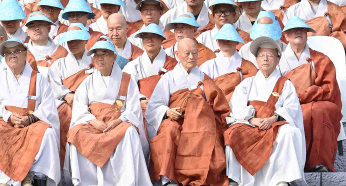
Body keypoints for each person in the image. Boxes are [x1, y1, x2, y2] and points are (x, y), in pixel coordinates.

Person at [0, 37, 61, 186]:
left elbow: (48, 107)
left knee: (48, 133)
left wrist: (31, 118)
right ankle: (5, 180)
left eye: (17, 51)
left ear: (25, 53)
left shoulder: (39, 79)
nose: (12, 55)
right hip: (5, 120)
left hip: (31, 121)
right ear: (4, 57)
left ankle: (27, 176)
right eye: (8, 53)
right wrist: (8, 116)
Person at [65, 40, 151, 186]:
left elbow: (133, 109)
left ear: (114, 57)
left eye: (104, 54)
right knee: (76, 132)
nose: (100, 58)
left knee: (130, 131)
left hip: (117, 124)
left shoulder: (127, 80)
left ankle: (126, 181)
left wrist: (118, 121)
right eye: (96, 55)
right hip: (93, 123)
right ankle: (88, 182)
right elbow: (80, 107)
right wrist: (92, 120)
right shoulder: (87, 81)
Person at [222, 36, 305, 186]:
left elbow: (291, 108)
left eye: (270, 55)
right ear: (257, 60)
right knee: (233, 132)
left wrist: (273, 119)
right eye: (261, 55)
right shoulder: (247, 83)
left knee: (288, 132)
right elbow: (237, 106)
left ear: (278, 59)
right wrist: (251, 119)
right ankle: (236, 178)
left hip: (275, 123)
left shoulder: (285, 84)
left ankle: (281, 179)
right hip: (251, 123)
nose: (265, 59)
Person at [146, 39, 229, 186]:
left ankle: (204, 177)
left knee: (211, 133)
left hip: (200, 120)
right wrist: (167, 111)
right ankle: (168, 179)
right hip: (177, 120)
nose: (191, 57)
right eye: (187, 53)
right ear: (177, 54)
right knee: (168, 131)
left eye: (194, 53)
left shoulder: (204, 78)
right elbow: (154, 105)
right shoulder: (169, 77)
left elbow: (218, 104)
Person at [273, 15, 341, 172]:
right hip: (288, 103)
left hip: (319, 101)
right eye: (294, 31)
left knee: (319, 111)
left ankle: (320, 162)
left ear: (307, 34)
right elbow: (274, 88)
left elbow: (329, 88)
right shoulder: (278, 60)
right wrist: (293, 99)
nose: (298, 33)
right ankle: (293, 165)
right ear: (286, 36)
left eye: (302, 30)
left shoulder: (321, 59)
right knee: (299, 113)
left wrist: (305, 94)